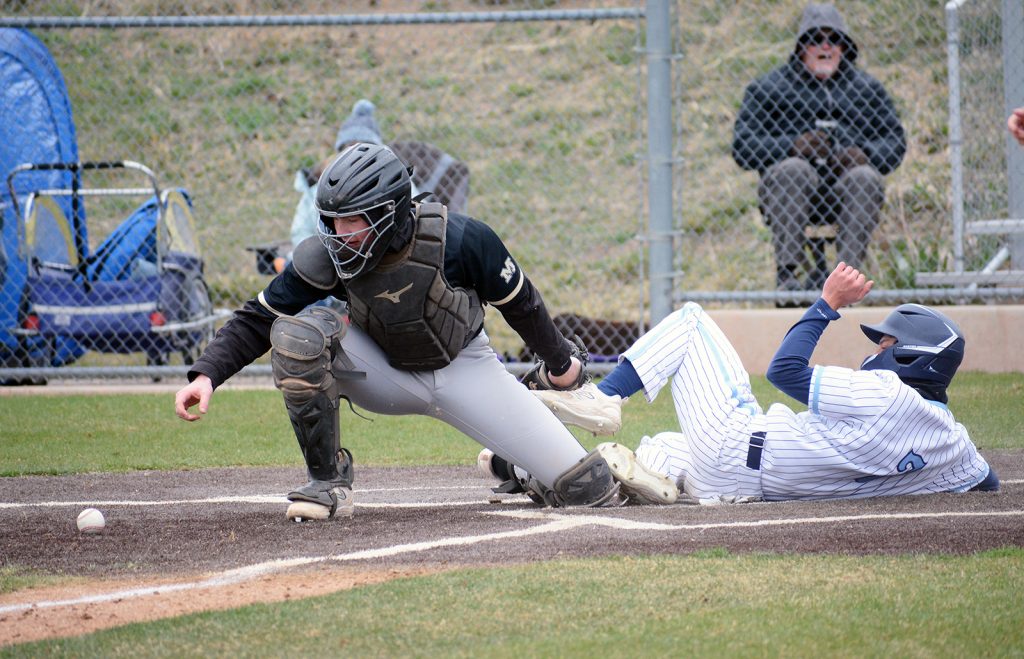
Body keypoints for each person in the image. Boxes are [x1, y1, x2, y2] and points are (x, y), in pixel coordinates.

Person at [175, 143, 621, 521]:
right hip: (382, 373)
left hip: (464, 367)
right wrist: (207, 374)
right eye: (333, 221)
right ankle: (328, 483)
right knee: (299, 335)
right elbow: (259, 317)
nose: (339, 234)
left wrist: (561, 367)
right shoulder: (325, 257)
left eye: (353, 221)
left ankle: (514, 465)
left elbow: (523, 306)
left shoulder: (462, 240)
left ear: (388, 212)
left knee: (588, 487)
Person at [522, 262, 999, 504]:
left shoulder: (889, 392)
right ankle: (558, 477)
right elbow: (988, 484)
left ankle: (600, 397)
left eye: (885, 345)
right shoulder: (950, 441)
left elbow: (784, 371)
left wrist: (827, 302)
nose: (875, 351)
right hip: (747, 485)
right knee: (664, 446)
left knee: (691, 323)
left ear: (913, 355)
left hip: (739, 445)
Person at [732, 3, 906, 292]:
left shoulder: (866, 89)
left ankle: (846, 279)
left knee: (864, 177)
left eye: (834, 39)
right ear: (802, 47)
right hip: (789, 194)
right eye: (815, 39)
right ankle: (789, 275)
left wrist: (863, 155)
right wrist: (792, 146)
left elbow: (895, 142)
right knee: (793, 170)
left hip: (845, 192)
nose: (825, 46)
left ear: (844, 47)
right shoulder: (770, 88)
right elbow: (742, 146)